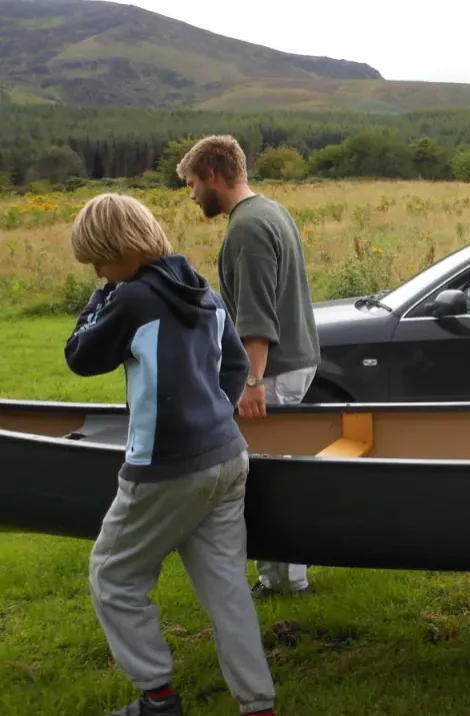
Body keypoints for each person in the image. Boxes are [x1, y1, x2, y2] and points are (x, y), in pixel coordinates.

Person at [64, 193, 276, 716]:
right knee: (227, 588)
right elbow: (232, 366)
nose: (97, 270)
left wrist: (100, 296)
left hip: (165, 468)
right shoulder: (199, 287)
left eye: (98, 260)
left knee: (113, 576)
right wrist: (211, 417)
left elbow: (80, 355)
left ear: (118, 249)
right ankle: (259, 704)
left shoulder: (132, 299)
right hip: (228, 456)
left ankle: (157, 699)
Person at [177, 134, 320, 599]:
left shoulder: (247, 228)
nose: (193, 193)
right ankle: (286, 577)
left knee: (264, 476)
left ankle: (280, 583)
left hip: (272, 369)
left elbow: (256, 317)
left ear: (214, 175)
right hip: (291, 361)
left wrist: (252, 382)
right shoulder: (270, 211)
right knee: (280, 469)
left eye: (194, 183)